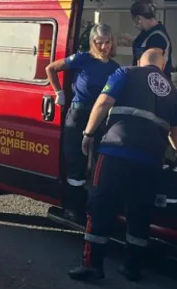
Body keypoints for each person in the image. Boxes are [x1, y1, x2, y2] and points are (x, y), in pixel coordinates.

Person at [68, 49, 177, 283]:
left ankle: (92, 265)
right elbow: (176, 132)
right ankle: (131, 267)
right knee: (140, 211)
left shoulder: (126, 72)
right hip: (151, 159)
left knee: (100, 205)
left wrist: (88, 133)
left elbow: (103, 102)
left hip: (117, 150)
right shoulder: (173, 92)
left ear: (139, 61)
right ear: (162, 67)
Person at [44, 23, 120, 224]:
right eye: (99, 42)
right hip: (78, 114)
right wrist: (58, 92)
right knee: (75, 162)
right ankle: (72, 208)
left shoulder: (115, 68)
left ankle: (93, 210)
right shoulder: (81, 59)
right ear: (92, 43)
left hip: (102, 117)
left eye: (107, 42)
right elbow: (51, 68)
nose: (103, 46)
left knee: (99, 164)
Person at [130, 0, 173, 75]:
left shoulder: (158, 37)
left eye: (134, 21)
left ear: (138, 19)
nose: (134, 25)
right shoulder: (147, 33)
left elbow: (151, 64)